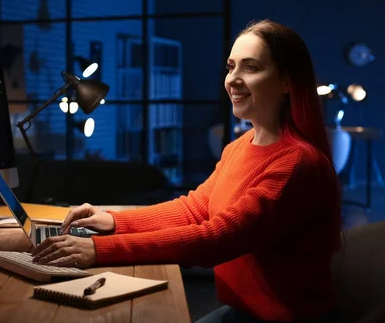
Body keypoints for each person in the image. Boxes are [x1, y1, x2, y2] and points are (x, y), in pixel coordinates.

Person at [31, 20, 342, 323]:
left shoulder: (296, 164)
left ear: (287, 81)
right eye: (230, 66)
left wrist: (98, 249)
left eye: (251, 67)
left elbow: (215, 239)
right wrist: (112, 220)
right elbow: (195, 209)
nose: (232, 78)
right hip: (242, 311)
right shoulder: (241, 146)